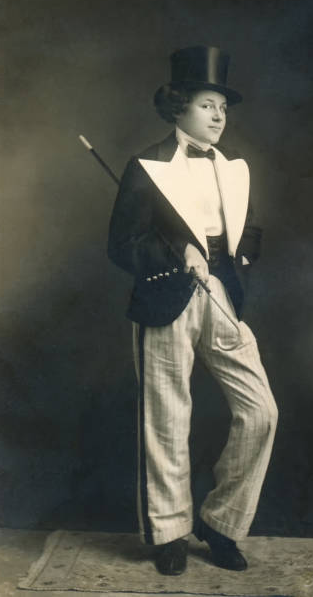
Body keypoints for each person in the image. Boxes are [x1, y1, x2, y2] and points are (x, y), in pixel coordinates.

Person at [108, 45, 278, 576]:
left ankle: (221, 523)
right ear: (179, 107)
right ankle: (170, 533)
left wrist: (234, 257)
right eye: (208, 104)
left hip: (221, 295)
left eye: (224, 107)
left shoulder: (235, 169)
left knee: (261, 412)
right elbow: (122, 244)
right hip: (167, 299)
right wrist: (175, 253)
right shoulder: (147, 167)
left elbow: (247, 228)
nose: (219, 115)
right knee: (167, 418)